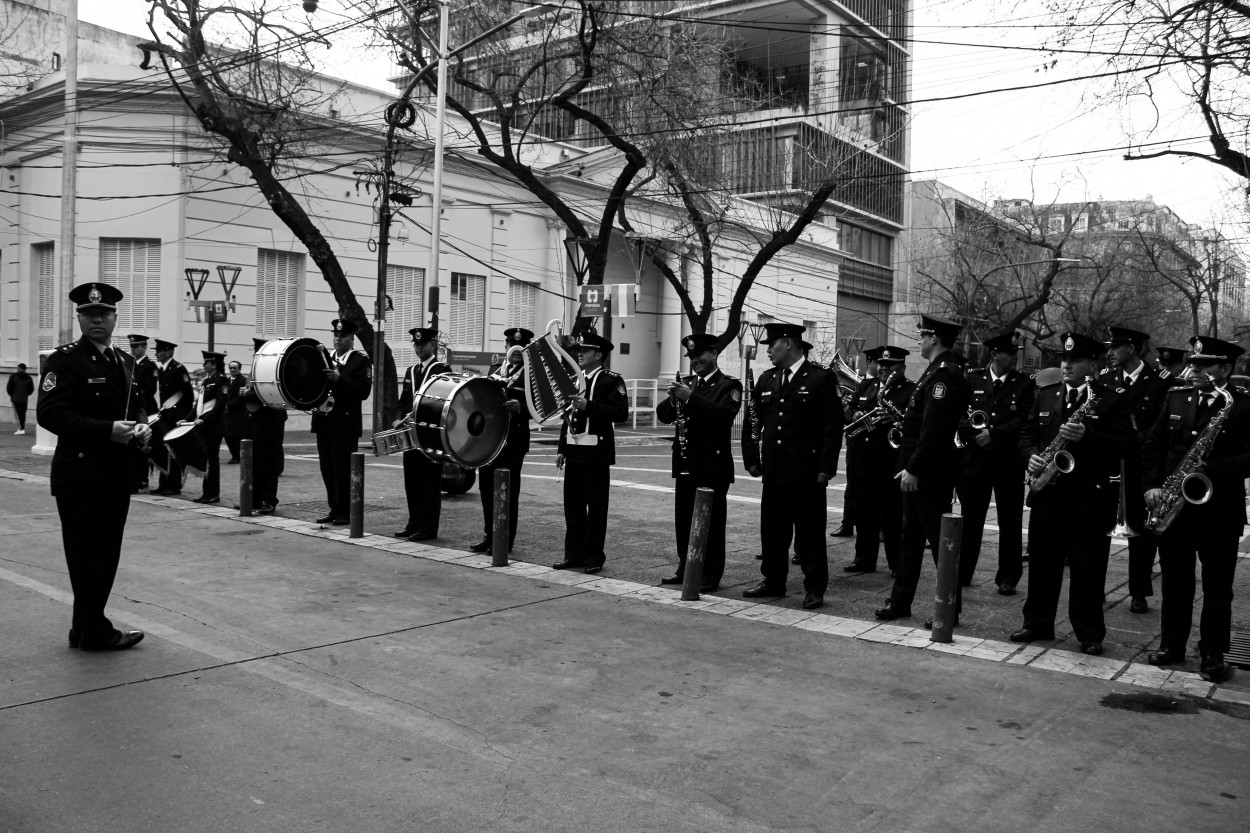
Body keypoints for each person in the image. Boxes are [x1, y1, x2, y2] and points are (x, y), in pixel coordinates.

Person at [36, 282, 149, 651]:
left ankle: (81, 628)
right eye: (89, 314)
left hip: (116, 472)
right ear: (80, 318)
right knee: (86, 557)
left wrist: (142, 427)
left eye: (104, 313)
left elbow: (136, 407)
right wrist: (106, 431)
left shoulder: (126, 360)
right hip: (80, 474)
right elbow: (50, 413)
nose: (97, 319)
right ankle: (96, 632)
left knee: (105, 555)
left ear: (115, 317)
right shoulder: (65, 359)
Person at [1010, 332, 1133, 656]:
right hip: (1049, 494)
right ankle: (1037, 622)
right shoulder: (1047, 394)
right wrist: (1031, 455)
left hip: (1090, 499)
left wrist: (1088, 435)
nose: (1066, 365)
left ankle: (1089, 632)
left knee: (1088, 569)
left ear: (1092, 364)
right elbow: (1026, 432)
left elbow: (1127, 445)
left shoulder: (1111, 398)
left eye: (1074, 361)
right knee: (1042, 563)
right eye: (1064, 360)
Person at [1142, 335, 1250, 683]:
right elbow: (1154, 446)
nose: (1196, 369)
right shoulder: (1176, 397)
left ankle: (1213, 653)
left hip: (1220, 511)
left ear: (1225, 369)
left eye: (1205, 364)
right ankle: (1172, 645)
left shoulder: (1243, 406)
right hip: (1176, 508)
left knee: (1217, 588)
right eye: (1195, 362)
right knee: (1175, 583)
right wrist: (1152, 486)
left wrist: (1209, 470)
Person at [740, 322, 844, 610]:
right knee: (772, 532)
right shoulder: (767, 379)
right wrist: (751, 458)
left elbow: (831, 427)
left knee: (809, 534)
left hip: (806, 471)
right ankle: (773, 580)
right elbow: (753, 423)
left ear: (788, 343)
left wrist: (826, 467)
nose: (769, 351)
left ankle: (814, 587)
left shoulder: (820, 379)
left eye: (772, 345)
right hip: (774, 469)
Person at [876, 315, 971, 625]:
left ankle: (949, 608)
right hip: (918, 471)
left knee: (939, 544)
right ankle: (900, 601)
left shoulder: (944, 375)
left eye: (922, 336)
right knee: (910, 542)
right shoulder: (934, 372)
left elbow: (934, 429)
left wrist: (914, 469)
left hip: (929, 475)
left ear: (934, 338)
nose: (919, 341)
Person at [656, 333, 743, 591]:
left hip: (712, 467)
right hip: (685, 463)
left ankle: (711, 573)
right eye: (692, 357)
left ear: (714, 354)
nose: (695, 361)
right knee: (683, 520)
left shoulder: (729, 385)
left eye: (700, 356)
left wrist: (688, 397)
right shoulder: (689, 384)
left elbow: (721, 417)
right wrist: (673, 399)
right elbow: (663, 416)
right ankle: (686, 566)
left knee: (712, 523)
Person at [1101, 325, 1173, 613]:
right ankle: (1095, 586)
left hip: (1140, 466)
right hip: (1109, 464)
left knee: (1141, 533)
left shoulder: (1158, 382)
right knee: (1099, 528)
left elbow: (1162, 429)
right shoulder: (1105, 379)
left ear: (1130, 348)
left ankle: (1139, 591)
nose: (1110, 353)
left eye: (1114, 347)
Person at [955, 331, 1034, 595]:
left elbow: (1025, 419)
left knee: (1010, 522)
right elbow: (958, 415)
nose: (1014, 357)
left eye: (1015, 353)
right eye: (1010, 353)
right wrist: (976, 435)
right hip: (975, 460)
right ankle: (962, 572)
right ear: (995, 354)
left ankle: (1008, 577)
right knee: (970, 521)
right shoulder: (972, 378)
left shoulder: (1023, 384)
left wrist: (995, 435)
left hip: (1007, 463)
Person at [554, 332, 629, 574]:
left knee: (596, 509)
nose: (580, 354)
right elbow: (568, 417)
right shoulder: (575, 380)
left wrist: (590, 406)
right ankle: (573, 554)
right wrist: (561, 449)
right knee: (573, 508)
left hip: (596, 454)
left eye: (585, 351)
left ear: (598, 354)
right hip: (575, 452)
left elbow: (620, 413)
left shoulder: (610, 380)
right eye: (579, 350)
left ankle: (594, 556)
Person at [844, 346, 914, 575]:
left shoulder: (910, 390)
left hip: (891, 462)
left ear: (902, 367)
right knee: (864, 515)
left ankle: (896, 563)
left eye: (891, 365)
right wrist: (853, 414)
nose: (885, 369)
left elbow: (914, 424)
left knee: (893, 517)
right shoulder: (867, 385)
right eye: (882, 364)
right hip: (864, 461)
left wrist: (896, 420)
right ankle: (864, 558)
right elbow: (851, 408)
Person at [472, 327, 534, 554]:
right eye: (512, 346)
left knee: (508, 491)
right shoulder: (495, 369)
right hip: (490, 438)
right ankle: (490, 534)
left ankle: (505, 539)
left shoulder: (533, 375)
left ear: (527, 350)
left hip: (514, 441)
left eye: (521, 348)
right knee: (486, 487)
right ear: (506, 347)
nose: (515, 350)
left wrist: (522, 409)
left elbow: (541, 409)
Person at [312, 318, 372, 525]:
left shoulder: (360, 361)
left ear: (351, 338)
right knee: (327, 469)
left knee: (343, 470)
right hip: (324, 422)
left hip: (344, 425)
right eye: (336, 335)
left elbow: (363, 392)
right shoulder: (324, 358)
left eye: (343, 336)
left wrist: (339, 379)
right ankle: (334, 508)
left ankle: (346, 511)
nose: (338, 339)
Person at [395, 327, 451, 541]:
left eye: (423, 344)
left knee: (429, 483)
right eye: (416, 344)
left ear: (433, 345)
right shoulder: (411, 371)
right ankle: (413, 523)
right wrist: (398, 417)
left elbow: (444, 402)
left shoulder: (442, 370)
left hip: (429, 435)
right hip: (410, 435)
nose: (419, 347)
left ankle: (428, 528)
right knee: (412, 481)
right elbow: (403, 401)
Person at [835, 348, 880, 538]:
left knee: (875, 490)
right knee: (851, 487)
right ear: (869, 363)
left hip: (875, 446)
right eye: (877, 362)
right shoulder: (863, 385)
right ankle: (847, 524)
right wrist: (852, 413)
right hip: (857, 443)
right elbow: (851, 410)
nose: (880, 367)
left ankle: (879, 527)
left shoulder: (884, 385)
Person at [241, 338, 286, 514]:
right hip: (256, 420)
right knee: (255, 464)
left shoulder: (274, 370)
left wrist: (247, 394)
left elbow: (265, 394)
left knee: (268, 464)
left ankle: (269, 500)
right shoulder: (257, 369)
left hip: (270, 421)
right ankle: (255, 499)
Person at [152, 338, 193, 496]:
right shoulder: (162, 370)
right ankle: (164, 483)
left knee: (173, 451)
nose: (157, 353)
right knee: (164, 450)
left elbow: (188, 395)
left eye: (159, 351)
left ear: (169, 352)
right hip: (165, 415)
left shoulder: (179, 369)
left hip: (175, 416)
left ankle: (174, 485)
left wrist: (184, 416)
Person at [190, 351, 229, 504]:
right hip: (204, 425)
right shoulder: (207, 381)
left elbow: (219, 406)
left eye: (206, 362)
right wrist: (186, 419)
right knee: (205, 460)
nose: (203, 365)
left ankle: (213, 493)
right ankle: (206, 492)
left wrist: (204, 420)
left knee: (212, 460)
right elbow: (199, 405)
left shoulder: (222, 381)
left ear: (214, 364)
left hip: (214, 427)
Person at [127, 334, 158, 491]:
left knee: (143, 445)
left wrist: (137, 400)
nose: (133, 349)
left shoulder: (150, 366)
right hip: (132, 409)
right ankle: (135, 477)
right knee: (132, 445)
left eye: (136, 347)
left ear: (144, 347)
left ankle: (143, 478)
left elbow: (150, 389)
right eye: (132, 346)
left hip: (145, 408)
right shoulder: (129, 364)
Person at [223, 359, 249, 464]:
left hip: (238, 412)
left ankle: (238, 456)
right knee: (227, 435)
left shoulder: (243, 380)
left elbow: (241, 397)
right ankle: (234, 454)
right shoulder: (226, 380)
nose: (232, 369)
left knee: (237, 435)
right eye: (231, 368)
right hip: (227, 413)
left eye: (235, 368)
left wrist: (228, 405)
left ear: (239, 369)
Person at [7, 362, 34, 435]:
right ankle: (22, 427)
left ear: (19, 368)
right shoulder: (29, 377)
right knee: (22, 413)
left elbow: (9, 388)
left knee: (18, 414)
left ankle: (21, 429)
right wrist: (26, 394)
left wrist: (12, 395)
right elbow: (31, 389)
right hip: (24, 398)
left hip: (15, 398)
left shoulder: (13, 376)